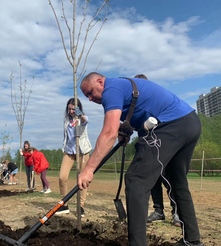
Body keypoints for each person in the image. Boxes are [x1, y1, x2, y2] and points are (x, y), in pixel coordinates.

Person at [78, 72, 203, 246]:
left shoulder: (111, 89)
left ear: (100, 81)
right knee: (177, 182)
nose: (90, 99)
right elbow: (141, 114)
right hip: (189, 122)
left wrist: (89, 169)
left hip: (170, 124)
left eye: (90, 92)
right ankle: (193, 241)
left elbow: (108, 133)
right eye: (87, 96)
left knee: (136, 180)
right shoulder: (122, 87)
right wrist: (127, 130)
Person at [134, 74, 181, 227]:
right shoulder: (137, 105)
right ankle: (158, 211)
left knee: (168, 179)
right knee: (152, 180)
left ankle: (176, 212)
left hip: (162, 145)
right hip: (147, 146)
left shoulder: (157, 100)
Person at [55, 98, 92, 218]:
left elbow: (87, 120)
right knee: (62, 177)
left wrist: (80, 115)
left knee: (83, 180)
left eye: (73, 109)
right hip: (69, 151)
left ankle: (81, 206)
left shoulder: (81, 118)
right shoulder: (66, 120)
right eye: (69, 109)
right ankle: (63, 204)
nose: (71, 111)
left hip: (82, 152)